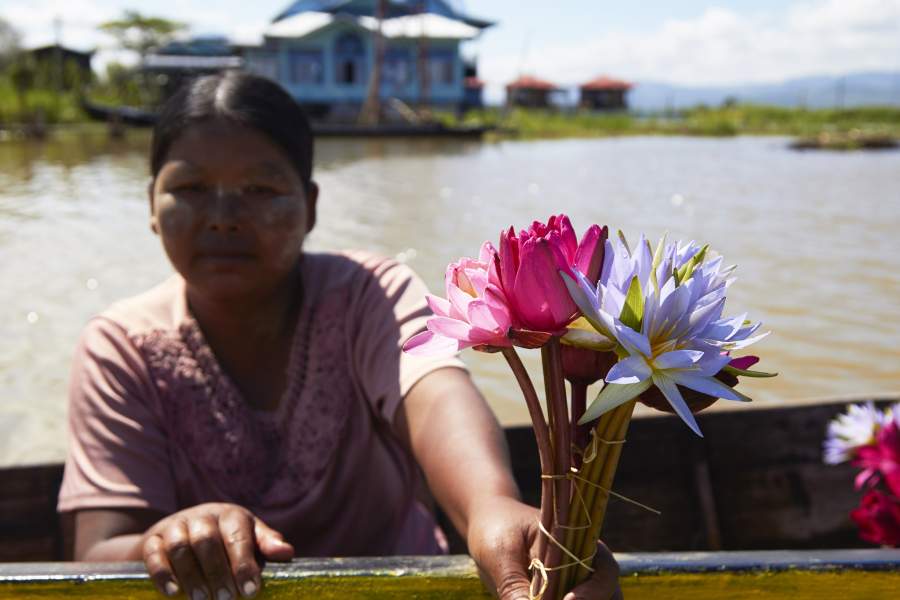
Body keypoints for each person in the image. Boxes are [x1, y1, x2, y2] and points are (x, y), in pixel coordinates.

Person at [57, 72, 622, 600]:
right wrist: (174, 539)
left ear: (310, 206)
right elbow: (98, 550)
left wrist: (489, 507)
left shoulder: (368, 294)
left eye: (260, 188)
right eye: (191, 187)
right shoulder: (120, 346)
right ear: (151, 206)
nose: (224, 216)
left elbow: (434, 397)